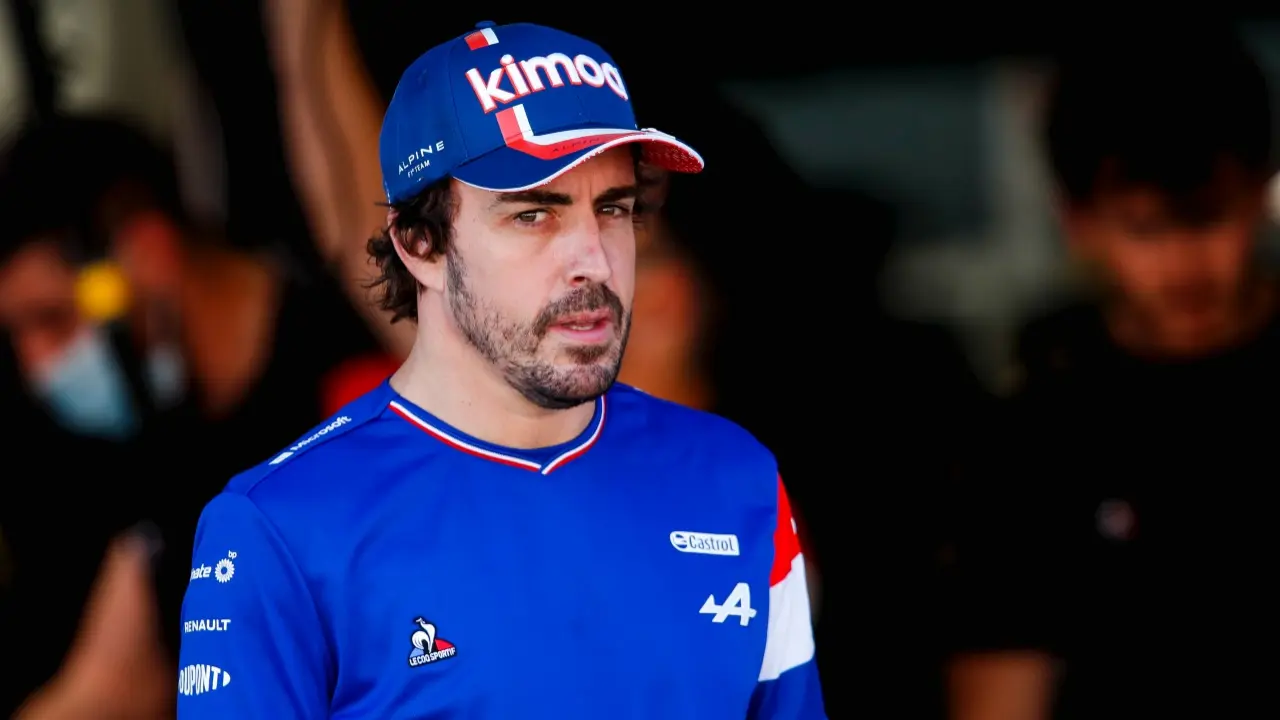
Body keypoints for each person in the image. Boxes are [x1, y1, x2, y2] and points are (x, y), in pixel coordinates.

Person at [177, 21, 824, 719]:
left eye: (613, 209)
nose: (594, 260)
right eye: (534, 215)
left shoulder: (736, 480)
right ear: (420, 244)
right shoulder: (279, 528)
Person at [947, 26, 1280, 720]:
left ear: (1259, 193)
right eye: (1145, 228)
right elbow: (1001, 685)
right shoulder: (1036, 432)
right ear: (1079, 223)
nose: (1185, 264)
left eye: (1209, 219)